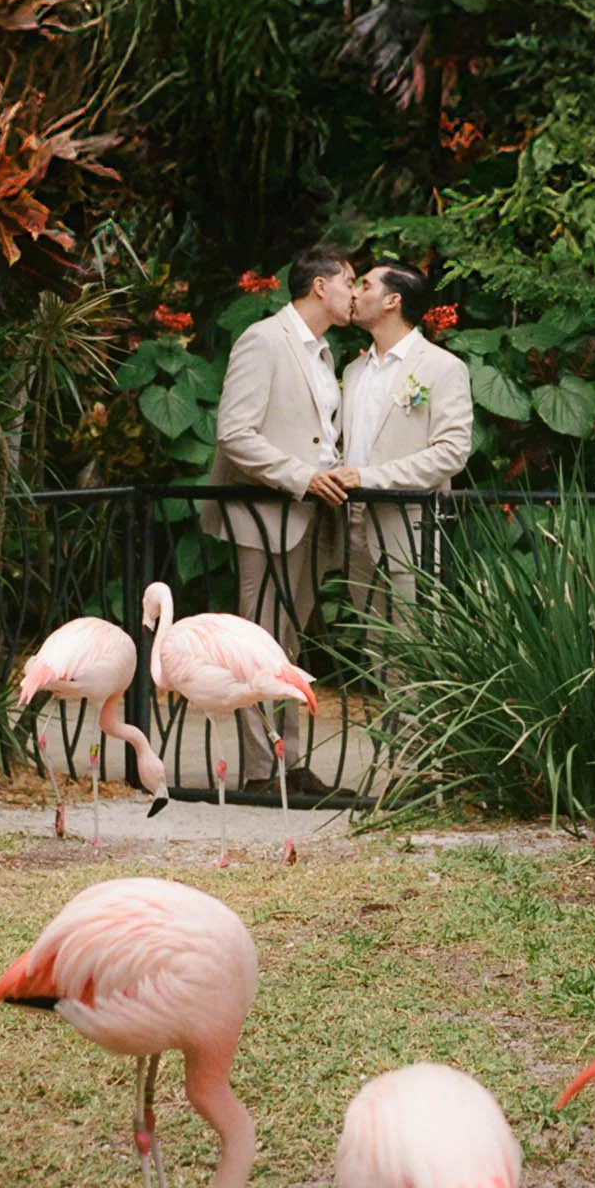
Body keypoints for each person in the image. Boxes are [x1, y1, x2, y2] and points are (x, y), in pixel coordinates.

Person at [203, 245, 353, 791]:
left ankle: (286, 763)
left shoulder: (324, 353)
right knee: (258, 643)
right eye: (349, 282)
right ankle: (260, 774)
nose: (355, 294)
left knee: (286, 646)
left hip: (310, 519)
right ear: (320, 286)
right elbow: (235, 433)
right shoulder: (264, 340)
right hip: (265, 516)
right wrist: (302, 477)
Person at [334, 261, 474, 624]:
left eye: (365, 286)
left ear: (392, 300)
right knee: (374, 646)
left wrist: (369, 478)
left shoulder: (443, 367)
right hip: (352, 523)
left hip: (410, 526)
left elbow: (451, 453)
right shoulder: (353, 371)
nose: (354, 293)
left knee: (414, 645)